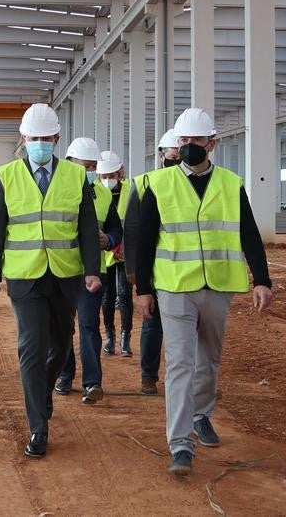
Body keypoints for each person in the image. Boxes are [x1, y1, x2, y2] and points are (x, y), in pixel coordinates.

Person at [133, 108, 275, 477]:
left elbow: (249, 234)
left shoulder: (230, 184)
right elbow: (144, 241)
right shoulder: (158, 184)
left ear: (212, 143)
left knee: (209, 359)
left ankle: (201, 414)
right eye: (184, 141)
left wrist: (262, 279)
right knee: (181, 362)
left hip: (218, 286)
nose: (189, 147)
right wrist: (144, 289)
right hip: (175, 286)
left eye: (196, 141)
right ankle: (180, 444)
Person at [0, 104, 101, 459]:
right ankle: (38, 427)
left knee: (62, 345)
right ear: (23, 139)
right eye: (33, 138)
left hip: (65, 275)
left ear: (56, 139)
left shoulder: (75, 177)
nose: (39, 143)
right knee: (31, 348)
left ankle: (42, 392)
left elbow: (87, 228)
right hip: (25, 277)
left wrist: (93, 269)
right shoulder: (6, 176)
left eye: (46, 138)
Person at [55, 137, 121, 404]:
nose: (92, 172)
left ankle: (92, 382)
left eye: (94, 166)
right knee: (62, 326)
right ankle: (65, 374)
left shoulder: (103, 194)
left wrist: (111, 240)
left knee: (88, 325)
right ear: (71, 163)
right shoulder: (56, 191)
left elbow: (116, 227)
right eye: (87, 166)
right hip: (62, 269)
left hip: (94, 271)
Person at [123, 130, 182, 394]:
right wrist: (135, 271)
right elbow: (132, 230)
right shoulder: (145, 182)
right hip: (155, 268)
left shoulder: (194, 184)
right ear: (161, 156)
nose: (177, 160)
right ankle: (149, 375)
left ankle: (186, 380)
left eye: (180, 156)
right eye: (173, 156)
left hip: (186, 269)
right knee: (153, 323)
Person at [96, 151, 131, 357]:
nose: (108, 180)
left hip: (126, 252)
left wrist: (123, 244)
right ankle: (110, 336)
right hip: (106, 253)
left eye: (112, 175)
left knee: (125, 295)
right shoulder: (97, 193)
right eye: (104, 176)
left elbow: (133, 223)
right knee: (107, 297)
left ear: (120, 173)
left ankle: (125, 339)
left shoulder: (131, 190)